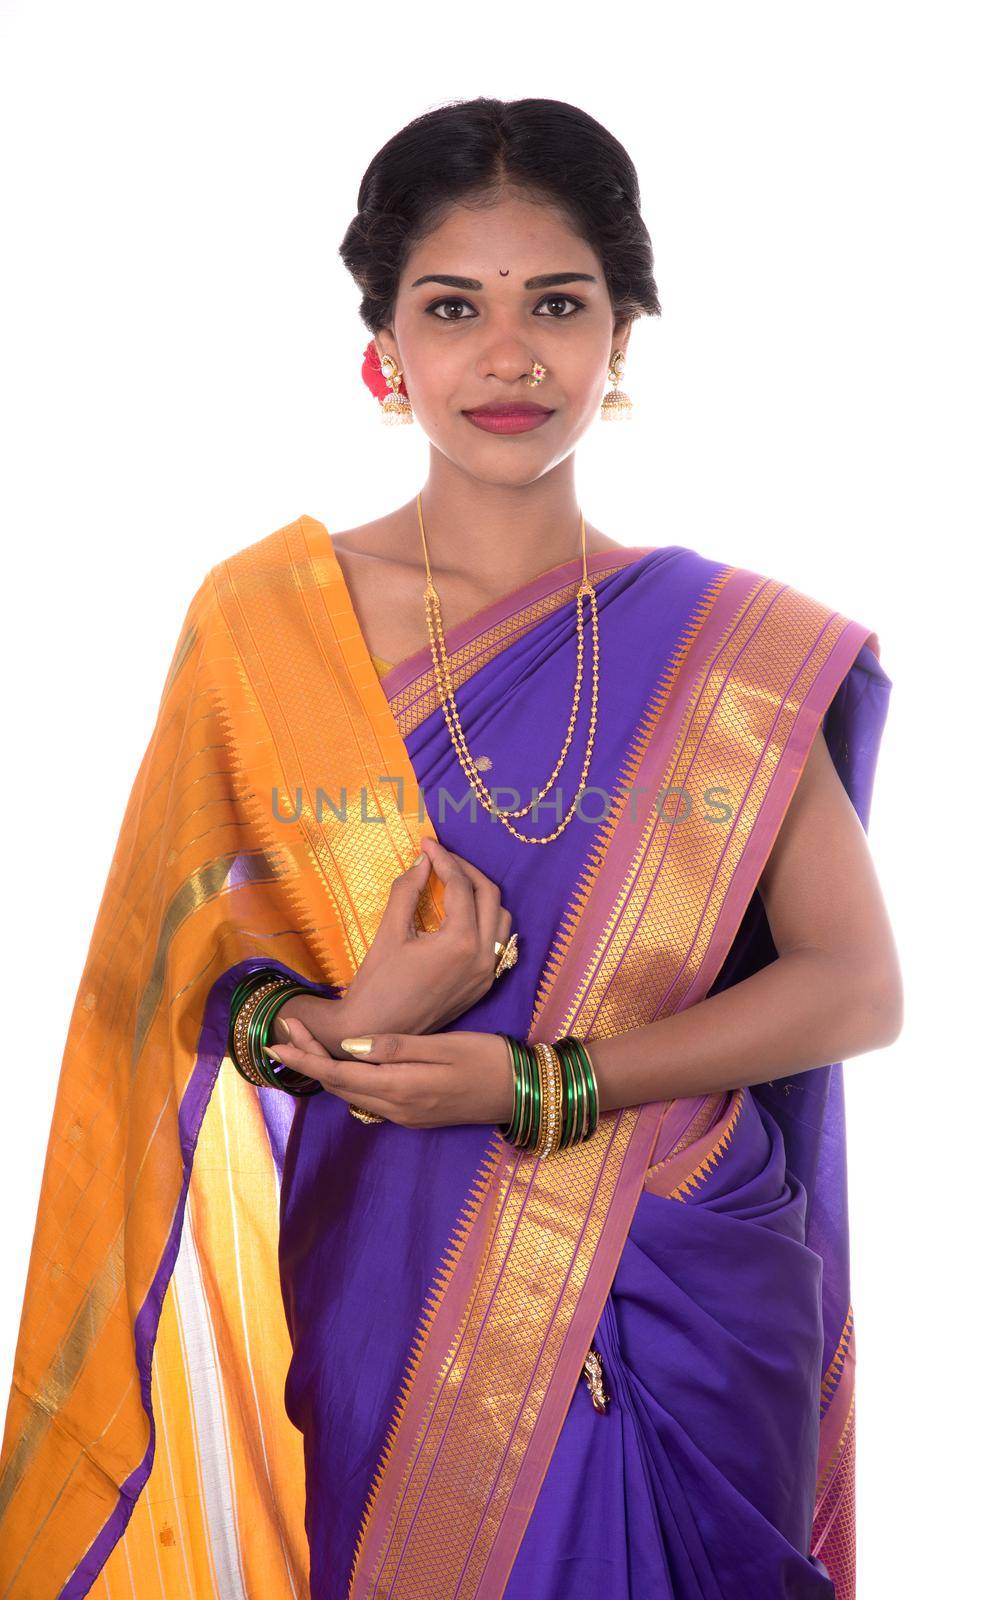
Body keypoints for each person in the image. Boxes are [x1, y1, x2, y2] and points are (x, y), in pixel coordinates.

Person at [0, 96, 901, 1600]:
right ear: (385, 345)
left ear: (621, 340)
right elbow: (166, 987)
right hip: (392, 1271)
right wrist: (350, 1028)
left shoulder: (731, 649)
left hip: (677, 1261)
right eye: (452, 307)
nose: (508, 355)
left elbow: (855, 985)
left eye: (558, 303)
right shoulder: (262, 624)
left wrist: (548, 1082)